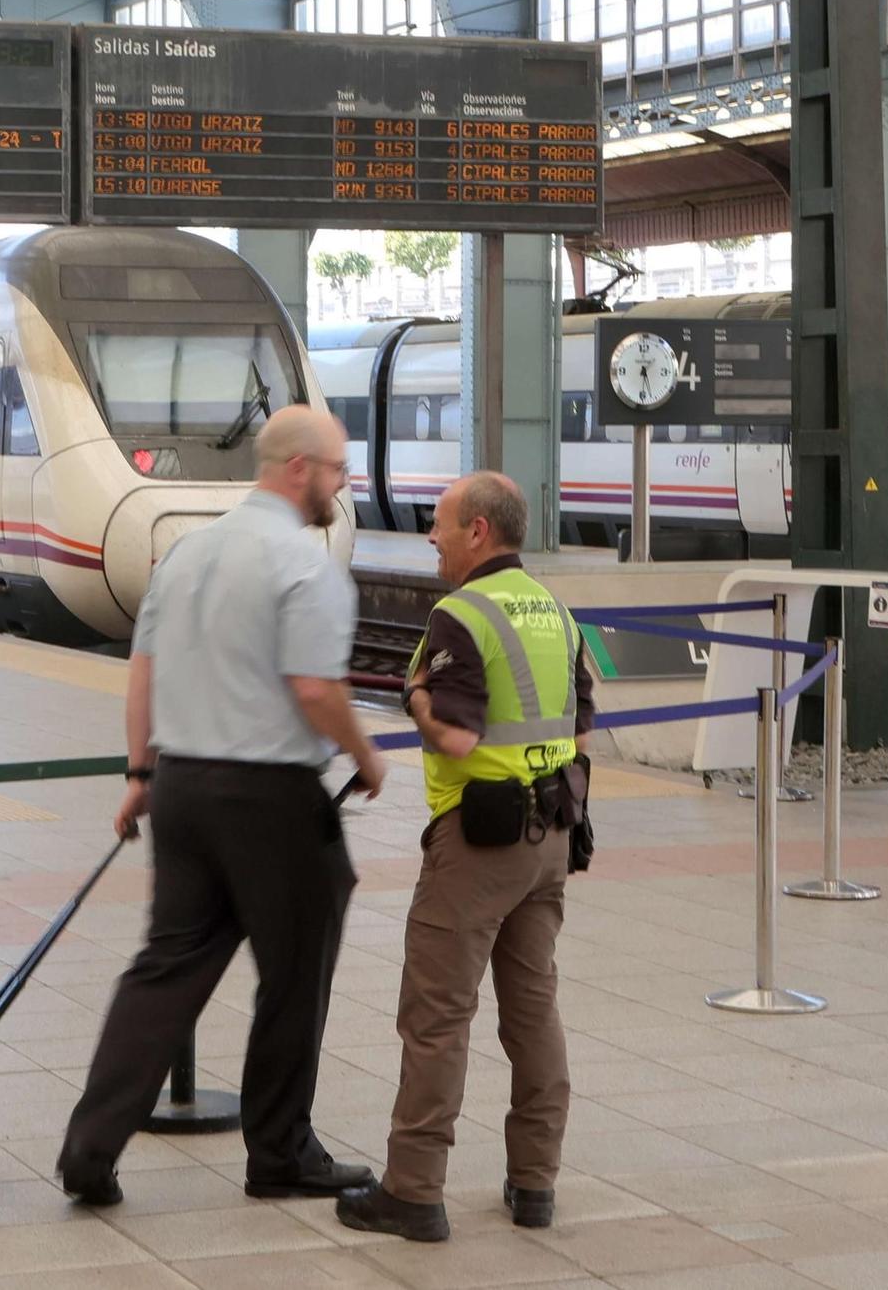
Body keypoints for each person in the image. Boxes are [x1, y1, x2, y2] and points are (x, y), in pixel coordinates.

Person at [56, 404, 388, 1207]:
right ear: (299, 468)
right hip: (270, 797)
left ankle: (89, 1149)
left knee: (166, 971)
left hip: (183, 790)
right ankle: (280, 1152)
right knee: (294, 974)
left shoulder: (187, 556)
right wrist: (366, 751)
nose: (344, 486)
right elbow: (314, 688)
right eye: (339, 469)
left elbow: (143, 672)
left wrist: (140, 773)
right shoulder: (307, 567)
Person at [335, 471, 594, 1244]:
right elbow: (581, 730)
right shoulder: (555, 607)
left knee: (437, 1016)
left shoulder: (460, 614)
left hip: (478, 842)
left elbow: (454, 735)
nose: (431, 536)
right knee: (533, 1009)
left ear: (479, 531)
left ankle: (412, 1191)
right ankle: (535, 1181)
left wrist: (414, 696)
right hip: (550, 835)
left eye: (441, 524)